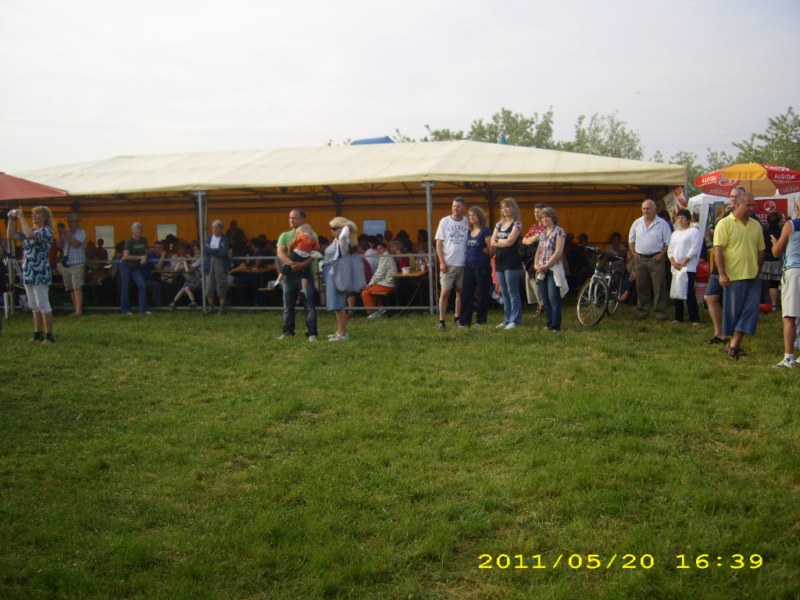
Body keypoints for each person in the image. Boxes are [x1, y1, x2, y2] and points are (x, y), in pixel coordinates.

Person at [713, 192, 766, 359]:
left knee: (751, 310)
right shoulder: (724, 224)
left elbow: (761, 250)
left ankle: (734, 342)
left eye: (753, 205)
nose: (752, 208)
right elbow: (718, 251)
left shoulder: (756, 225)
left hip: (753, 275)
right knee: (734, 312)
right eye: (748, 205)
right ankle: (734, 344)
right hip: (733, 276)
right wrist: (722, 274)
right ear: (736, 205)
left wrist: (757, 268)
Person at [6, 206, 56, 343]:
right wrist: (11, 219)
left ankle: (49, 336)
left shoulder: (47, 231)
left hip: (40, 272)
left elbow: (30, 236)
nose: (33, 216)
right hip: (29, 271)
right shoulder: (31, 229)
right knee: (33, 305)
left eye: (37, 214)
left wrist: (21, 218)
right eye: (33, 214)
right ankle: (37, 333)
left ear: (44, 217)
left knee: (43, 303)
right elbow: (11, 235)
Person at [703, 186, 745, 344]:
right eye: (731, 196)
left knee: (733, 302)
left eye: (736, 196)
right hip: (719, 264)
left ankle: (733, 335)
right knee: (710, 297)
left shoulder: (748, 217)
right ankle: (719, 333)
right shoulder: (726, 214)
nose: (732, 199)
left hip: (736, 266)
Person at [276, 209, 318, 341]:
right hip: (290, 275)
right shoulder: (284, 235)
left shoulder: (312, 234)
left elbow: (314, 254)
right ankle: (288, 331)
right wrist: (292, 264)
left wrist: (301, 265)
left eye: (294, 218)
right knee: (288, 305)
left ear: (302, 219)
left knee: (309, 305)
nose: (291, 220)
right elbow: (280, 253)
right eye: (290, 218)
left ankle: (312, 333)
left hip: (305, 272)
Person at [628, 199, 671, 321]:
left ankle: (660, 313)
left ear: (654, 209)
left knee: (659, 287)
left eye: (648, 208)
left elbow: (668, 242)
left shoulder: (662, 224)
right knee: (641, 286)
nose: (645, 211)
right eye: (643, 209)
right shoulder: (637, 223)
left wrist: (662, 254)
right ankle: (642, 311)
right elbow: (631, 240)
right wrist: (633, 253)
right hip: (640, 259)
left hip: (656, 259)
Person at [768, 212, 800, 368]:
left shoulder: (791, 224)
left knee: (789, 316)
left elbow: (776, 252)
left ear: (797, 208)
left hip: (794, 271)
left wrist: (775, 243)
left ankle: (788, 358)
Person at [435, 196, 469, 329]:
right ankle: (441, 321)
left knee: (460, 292)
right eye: (454, 206)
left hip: (464, 263)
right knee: (445, 293)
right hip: (448, 263)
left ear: (464, 208)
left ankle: (457, 319)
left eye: (458, 206)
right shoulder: (445, 221)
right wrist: (442, 261)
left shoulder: (467, 221)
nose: (455, 208)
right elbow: (439, 243)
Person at [491, 197, 524, 330]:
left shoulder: (517, 224)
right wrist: (503, 242)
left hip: (512, 260)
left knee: (512, 290)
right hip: (500, 260)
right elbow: (492, 242)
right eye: (503, 207)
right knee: (504, 291)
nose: (504, 209)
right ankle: (507, 319)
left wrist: (499, 241)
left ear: (513, 208)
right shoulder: (499, 225)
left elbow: (511, 241)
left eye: (507, 206)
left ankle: (515, 320)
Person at [533, 207, 568, 332]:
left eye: (547, 216)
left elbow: (558, 252)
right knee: (545, 299)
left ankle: (555, 326)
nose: (544, 219)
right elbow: (538, 251)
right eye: (542, 217)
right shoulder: (542, 234)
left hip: (553, 268)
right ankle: (549, 323)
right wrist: (535, 264)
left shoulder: (559, 231)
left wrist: (546, 265)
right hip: (542, 269)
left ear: (553, 217)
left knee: (553, 298)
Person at [324, 217, 358, 341]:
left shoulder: (344, 241)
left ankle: (343, 334)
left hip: (338, 273)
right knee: (336, 305)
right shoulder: (335, 240)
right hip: (332, 272)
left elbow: (344, 235)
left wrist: (346, 226)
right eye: (331, 228)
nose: (332, 231)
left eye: (334, 228)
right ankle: (340, 331)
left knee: (339, 305)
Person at [458, 206, 493, 328]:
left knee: (482, 292)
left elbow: (492, 247)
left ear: (479, 216)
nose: (471, 217)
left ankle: (481, 321)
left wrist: (488, 253)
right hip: (468, 264)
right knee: (466, 292)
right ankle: (464, 321)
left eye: (474, 214)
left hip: (481, 264)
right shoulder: (469, 231)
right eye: (470, 215)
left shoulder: (485, 230)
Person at [667, 209, 702, 325]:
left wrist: (683, 262)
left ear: (688, 220)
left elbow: (693, 249)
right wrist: (673, 261)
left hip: (688, 267)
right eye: (678, 218)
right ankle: (678, 317)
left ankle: (694, 318)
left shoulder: (694, 232)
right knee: (677, 291)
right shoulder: (675, 233)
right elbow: (670, 250)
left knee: (689, 292)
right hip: (676, 267)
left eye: (682, 218)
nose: (680, 220)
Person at [361, 239, 400, 318]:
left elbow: (379, 274)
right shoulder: (384, 257)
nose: (379, 250)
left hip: (387, 284)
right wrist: (371, 284)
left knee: (365, 292)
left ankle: (372, 312)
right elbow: (379, 273)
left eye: (381, 248)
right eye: (377, 248)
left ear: (385, 248)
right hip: (386, 283)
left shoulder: (385, 257)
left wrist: (370, 284)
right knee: (369, 290)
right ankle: (381, 309)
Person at [58, 212, 87, 316]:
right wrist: (60, 234)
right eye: (69, 222)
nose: (70, 224)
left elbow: (75, 244)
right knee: (70, 287)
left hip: (77, 263)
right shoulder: (66, 233)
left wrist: (66, 233)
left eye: (72, 222)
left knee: (77, 286)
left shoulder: (81, 232)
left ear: (77, 222)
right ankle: (75, 309)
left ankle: (79, 310)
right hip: (67, 263)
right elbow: (59, 245)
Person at [521, 203, 547, 315]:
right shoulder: (534, 226)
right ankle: (539, 306)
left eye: (538, 212)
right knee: (530, 282)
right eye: (535, 212)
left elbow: (535, 239)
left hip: (542, 258)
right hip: (531, 259)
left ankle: (543, 307)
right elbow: (524, 239)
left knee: (538, 282)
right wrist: (531, 239)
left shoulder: (546, 226)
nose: (536, 214)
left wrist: (531, 239)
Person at [119, 222, 150, 315]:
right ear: (132, 231)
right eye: (135, 229)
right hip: (126, 266)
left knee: (142, 285)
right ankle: (126, 310)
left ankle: (142, 309)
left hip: (136, 267)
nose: (138, 231)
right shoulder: (129, 241)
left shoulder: (144, 240)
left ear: (142, 230)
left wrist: (145, 257)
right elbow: (125, 256)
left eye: (139, 229)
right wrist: (140, 257)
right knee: (125, 287)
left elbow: (146, 252)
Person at [204, 219, 230, 313]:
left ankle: (221, 307)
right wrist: (217, 250)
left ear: (221, 229)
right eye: (213, 227)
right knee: (209, 285)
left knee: (221, 284)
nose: (214, 229)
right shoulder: (208, 238)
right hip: (209, 263)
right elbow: (206, 250)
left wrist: (212, 251)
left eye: (216, 228)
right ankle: (211, 307)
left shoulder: (224, 239)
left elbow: (224, 252)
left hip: (220, 263)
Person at [761, 211, 784, 311]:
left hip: (764, 261)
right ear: (779, 221)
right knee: (774, 284)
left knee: (764, 284)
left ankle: (764, 303)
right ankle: (774, 305)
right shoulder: (782, 233)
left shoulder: (764, 233)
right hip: (777, 261)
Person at [168, 244, 202, 309]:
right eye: (194, 250)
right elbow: (176, 270)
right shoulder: (194, 257)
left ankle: (193, 301)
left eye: (197, 250)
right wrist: (179, 262)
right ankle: (174, 302)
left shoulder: (199, 259)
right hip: (190, 279)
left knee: (186, 287)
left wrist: (184, 263)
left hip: (196, 279)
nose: (195, 251)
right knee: (183, 288)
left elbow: (189, 270)